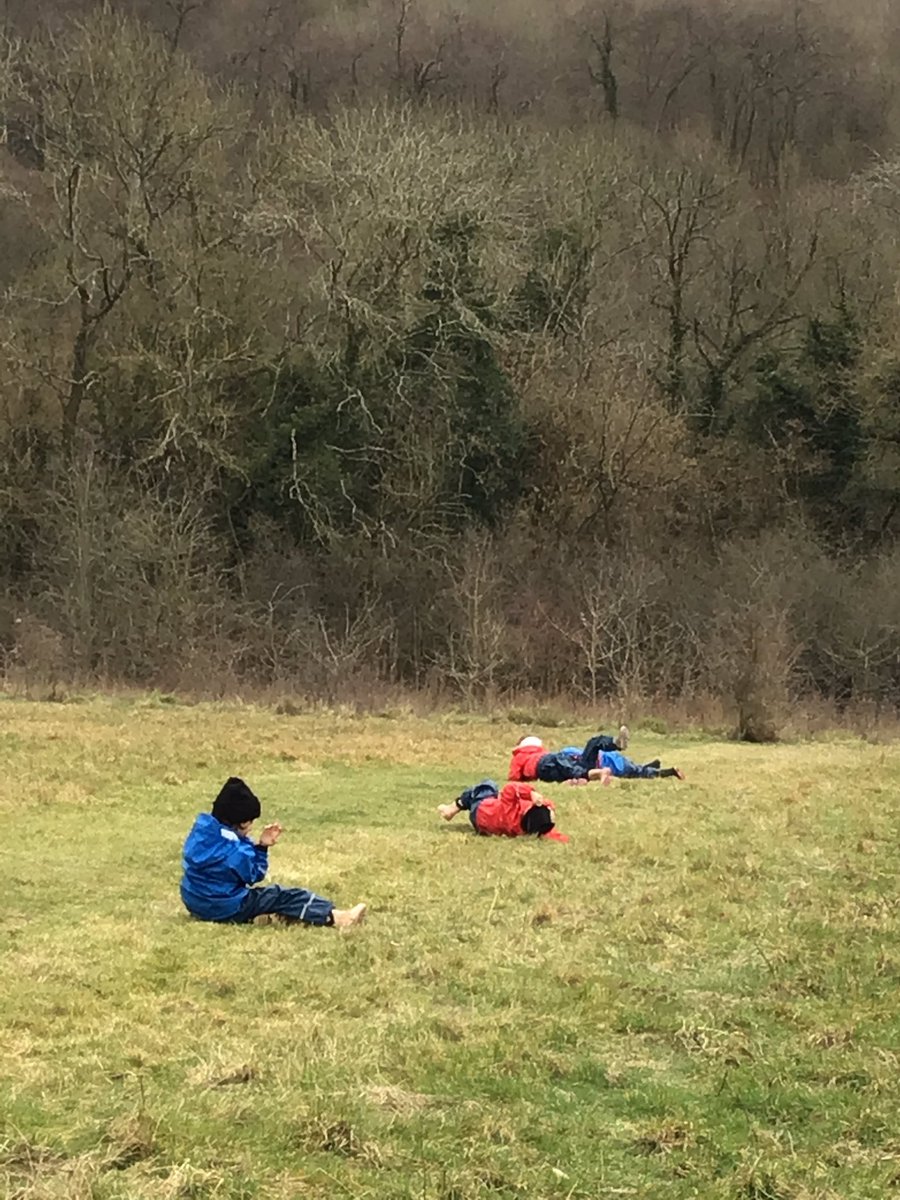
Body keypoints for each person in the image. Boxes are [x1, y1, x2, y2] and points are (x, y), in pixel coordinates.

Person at [180, 777, 366, 928]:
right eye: (250, 822)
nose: (251, 828)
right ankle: (337, 917)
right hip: (224, 906)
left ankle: (265, 917)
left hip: (194, 901)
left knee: (262, 900)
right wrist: (262, 847)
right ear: (242, 822)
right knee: (281, 895)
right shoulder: (235, 849)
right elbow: (254, 874)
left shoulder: (202, 831)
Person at [438, 779, 569, 842]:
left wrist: (531, 793)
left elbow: (511, 788)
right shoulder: (526, 829)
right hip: (482, 827)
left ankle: (453, 808)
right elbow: (552, 833)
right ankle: (455, 808)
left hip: (481, 809)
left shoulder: (511, 808)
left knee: (488, 786)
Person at [507, 728, 629, 785]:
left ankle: (592, 774)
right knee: (593, 743)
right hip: (553, 763)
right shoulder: (539, 752)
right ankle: (613, 743)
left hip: (548, 766)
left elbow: (514, 776)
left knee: (565, 765)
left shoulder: (521, 755)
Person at [560, 745, 685, 782]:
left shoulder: (570, 761)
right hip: (613, 757)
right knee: (638, 770)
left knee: (642, 774)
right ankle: (653, 764)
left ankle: (670, 772)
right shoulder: (568, 751)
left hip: (617, 767)